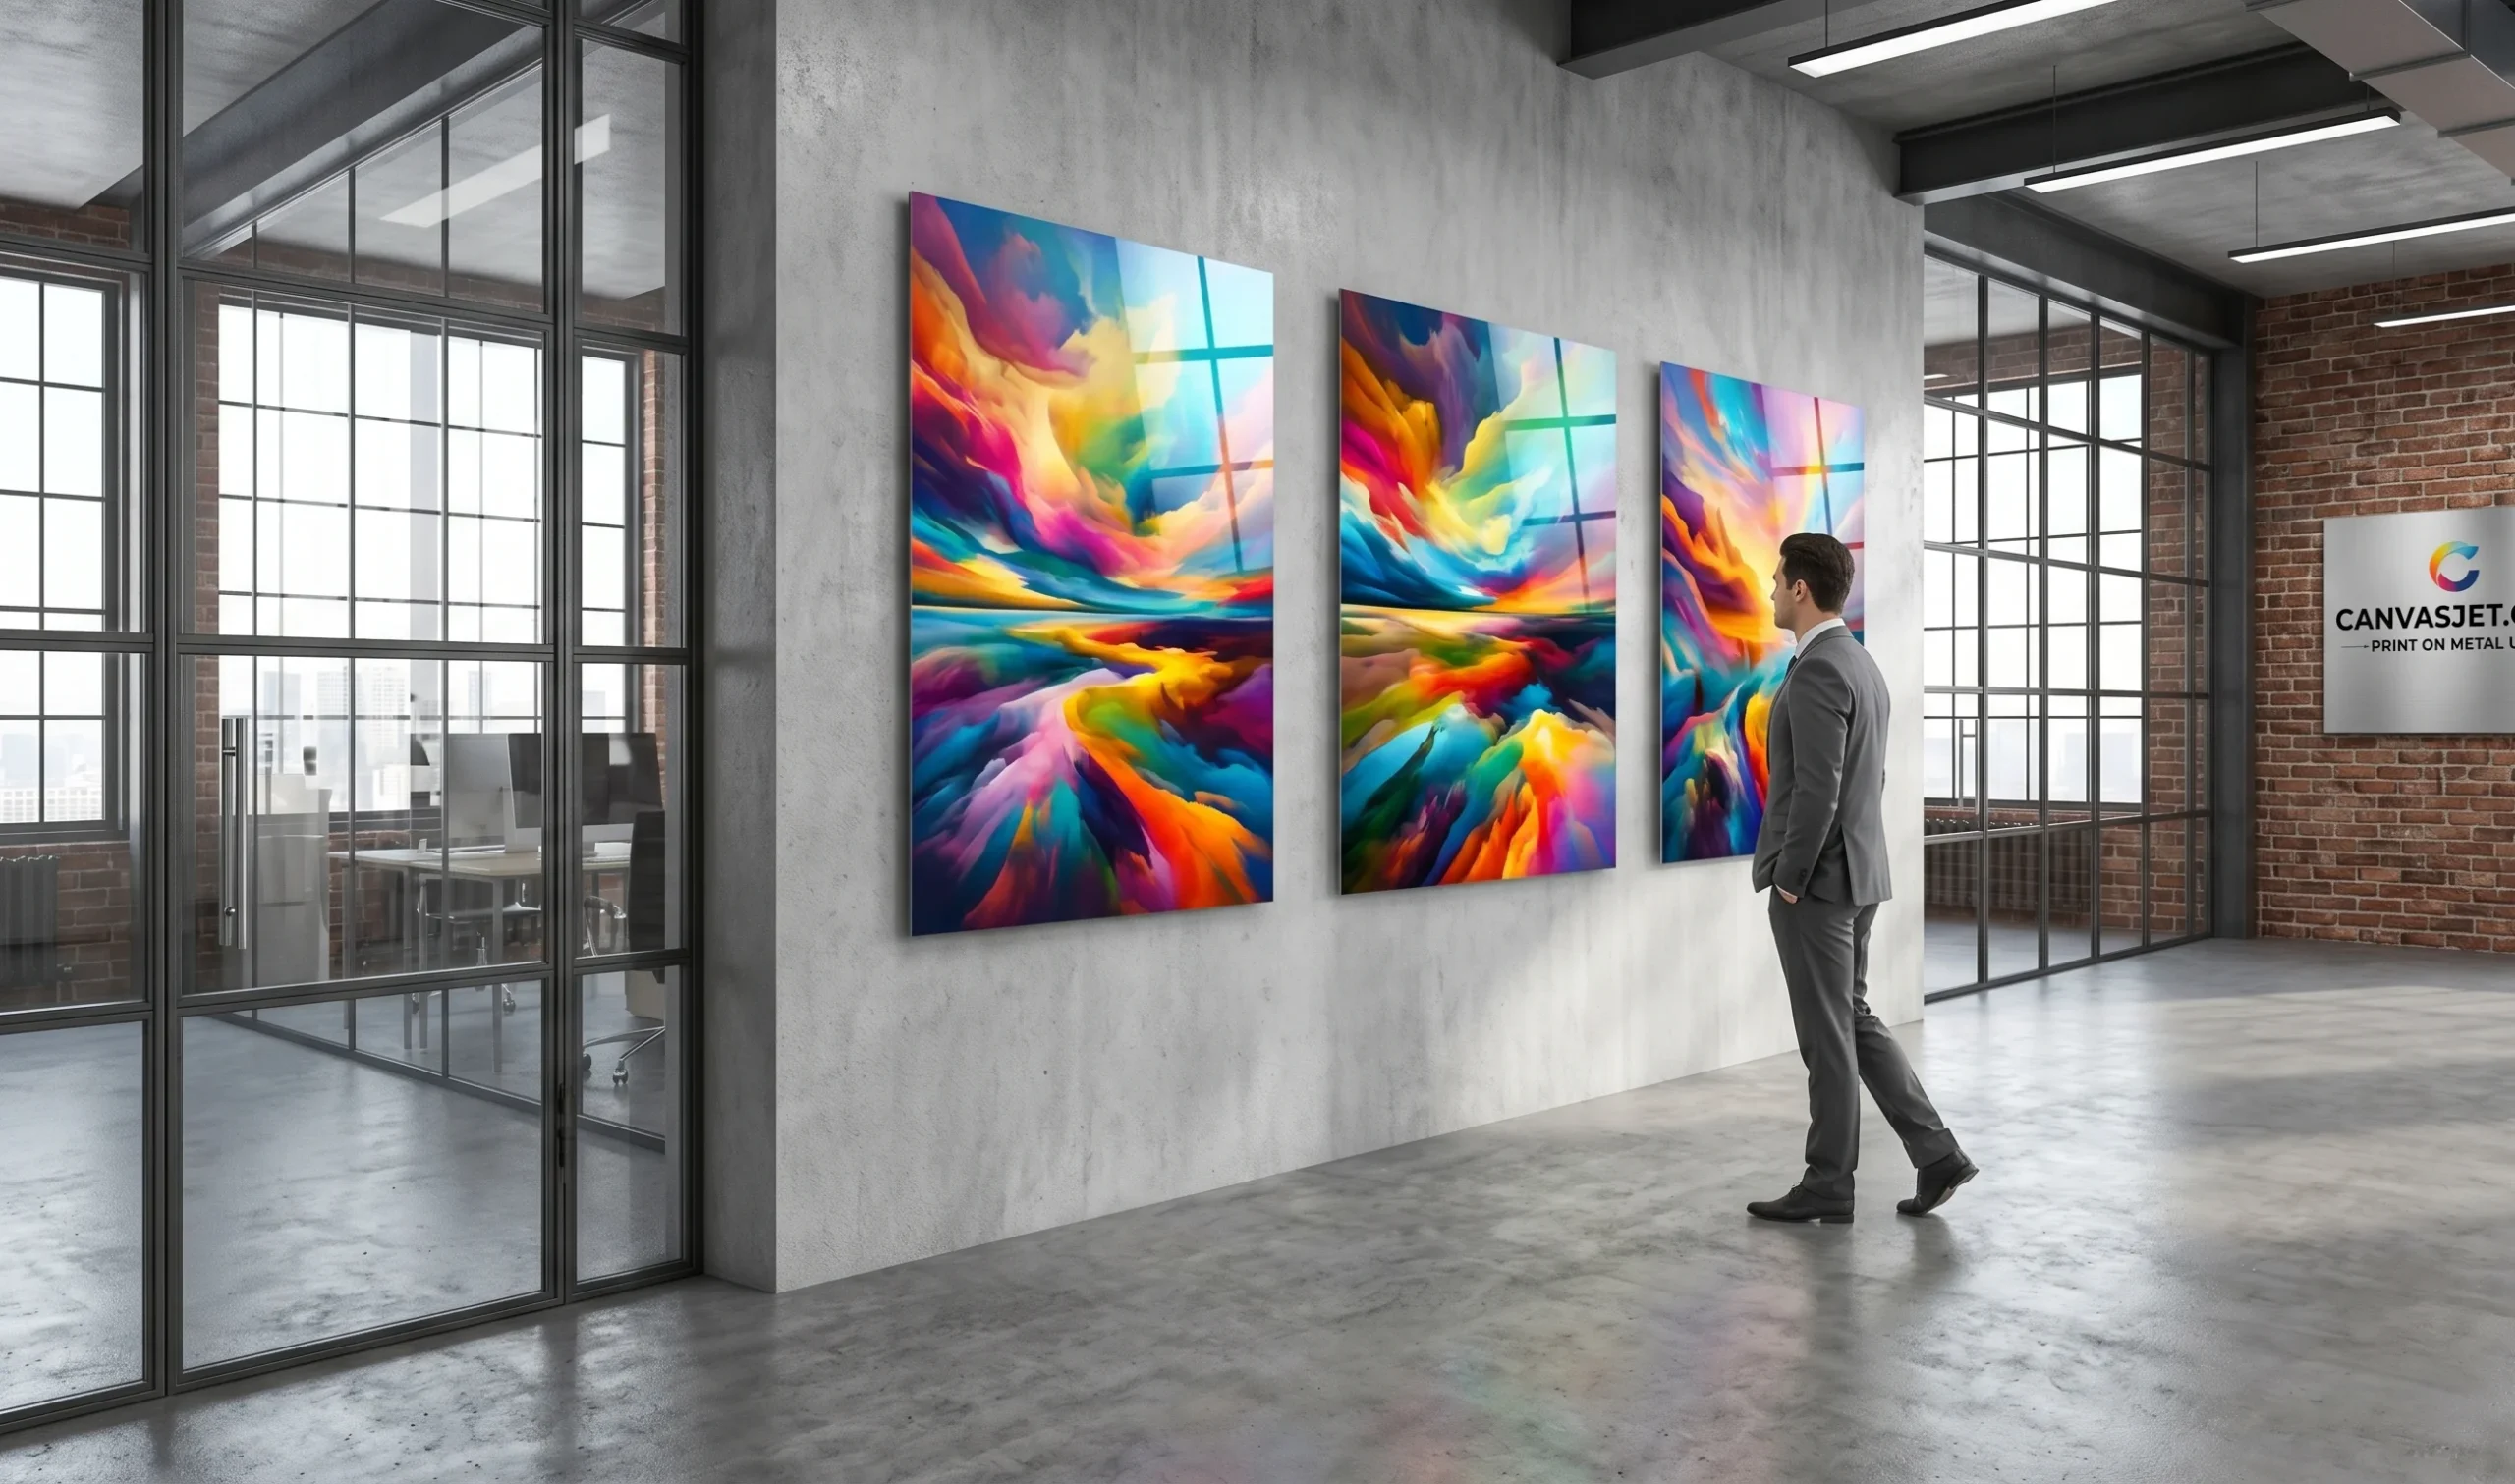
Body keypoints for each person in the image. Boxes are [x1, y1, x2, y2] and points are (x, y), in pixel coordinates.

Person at [1745, 532, 1975, 1225]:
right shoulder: (1863, 663)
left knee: (1828, 1035)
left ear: (1800, 590)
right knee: (1852, 1018)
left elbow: (1820, 787)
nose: (1771, 588)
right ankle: (1936, 1152)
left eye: (1777, 577)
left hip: (1818, 884)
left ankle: (1828, 1182)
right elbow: (1867, 778)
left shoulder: (1817, 670)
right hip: (1860, 873)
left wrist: (1791, 875)